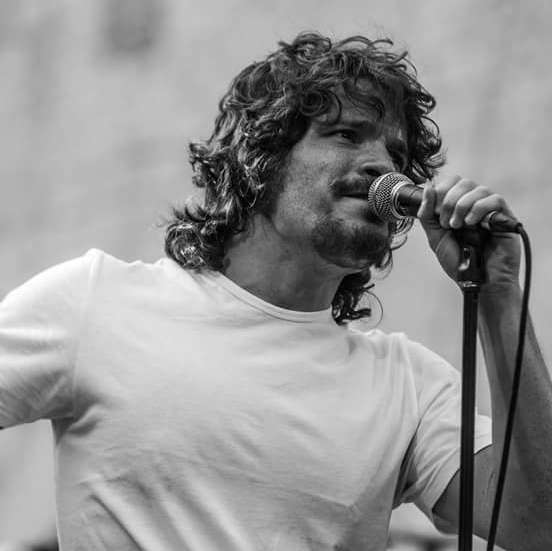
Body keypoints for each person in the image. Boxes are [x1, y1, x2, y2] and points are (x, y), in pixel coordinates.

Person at [0, 31, 551, 551]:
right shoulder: (98, 303)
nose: (384, 166)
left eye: (397, 154)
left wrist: (500, 295)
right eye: (347, 134)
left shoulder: (410, 386)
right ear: (261, 157)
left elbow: (539, 526)